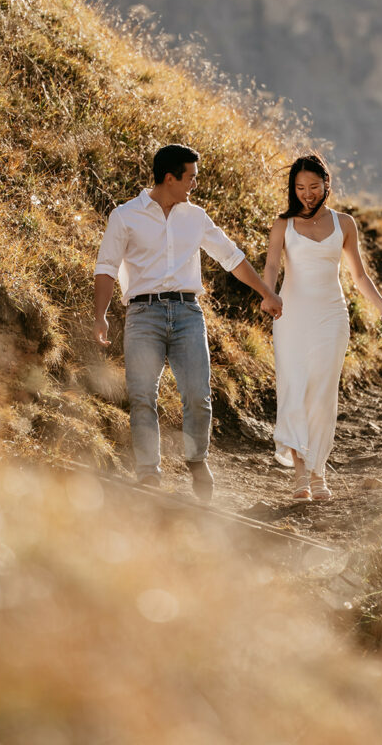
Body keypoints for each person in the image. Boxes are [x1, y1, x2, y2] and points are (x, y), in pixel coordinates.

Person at [93, 144, 282, 501]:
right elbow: (105, 267)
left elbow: (231, 257)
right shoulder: (125, 216)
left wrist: (265, 293)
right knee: (142, 396)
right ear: (170, 178)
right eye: (191, 177)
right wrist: (100, 315)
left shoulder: (196, 217)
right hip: (142, 315)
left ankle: (197, 460)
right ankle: (149, 475)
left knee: (197, 395)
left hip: (187, 314)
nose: (195, 184)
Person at [262, 153, 382, 502]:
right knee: (296, 389)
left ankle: (318, 474)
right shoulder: (282, 224)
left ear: (326, 185)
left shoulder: (344, 223)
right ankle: (301, 476)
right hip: (291, 318)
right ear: (293, 188)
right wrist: (268, 294)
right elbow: (272, 265)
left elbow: (359, 275)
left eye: (314, 187)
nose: (307, 193)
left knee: (322, 394)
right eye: (300, 187)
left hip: (331, 318)